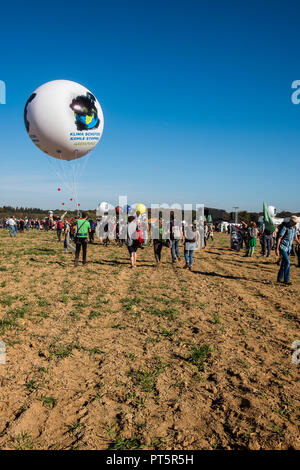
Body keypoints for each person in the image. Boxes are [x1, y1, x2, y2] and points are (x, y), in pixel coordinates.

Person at [276, 215, 299, 285]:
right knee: (288, 262)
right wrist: (277, 249)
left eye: (296, 222)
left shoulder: (294, 228)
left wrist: (298, 243)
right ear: (291, 221)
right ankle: (286, 279)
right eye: (294, 222)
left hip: (289, 248)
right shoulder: (285, 228)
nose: (295, 224)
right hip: (283, 247)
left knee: (283, 263)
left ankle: (279, 278)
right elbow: (279, 238)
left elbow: (296, 238)